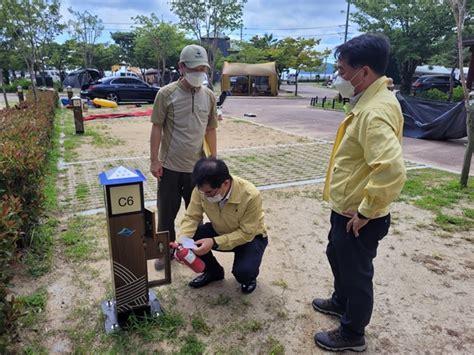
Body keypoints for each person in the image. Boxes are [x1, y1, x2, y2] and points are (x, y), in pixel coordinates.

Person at [313, 33, 406, 352]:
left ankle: (352, 333)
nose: (338, 77)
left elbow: (392, 168)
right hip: (346, 207)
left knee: (356, 273)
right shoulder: (371, 99)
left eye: (341, 70)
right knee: (335, 254)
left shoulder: (373, 112)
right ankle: (341, 302)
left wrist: (366, 212)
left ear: (364, 72)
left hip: (359, 215)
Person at [150, 44, 218, 269]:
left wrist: (213, 160)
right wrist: (154, 160)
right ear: (181, 67)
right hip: (169, 167)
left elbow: (210, 129)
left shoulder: (209, 96)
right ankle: (165, 252)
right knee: (166, 214)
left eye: (202, 69)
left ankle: (191, 251)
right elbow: (157, 128)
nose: (199, 73)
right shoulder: (166, 94)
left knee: (196, 215)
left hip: (197, 169)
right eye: (193, 68)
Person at [179, 157, 268, 294]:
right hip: (219, 230)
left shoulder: (251, 195)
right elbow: (191, 216)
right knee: (193, 237)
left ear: (225, 183)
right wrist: (183, 241)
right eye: (202, 192)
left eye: (209, 193)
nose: (206, 196)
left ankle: (249, 279)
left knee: (243, 272)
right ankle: (214, 272)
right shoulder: (202, 189)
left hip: (250, 237)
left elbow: (246, 233)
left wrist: (214, 242)